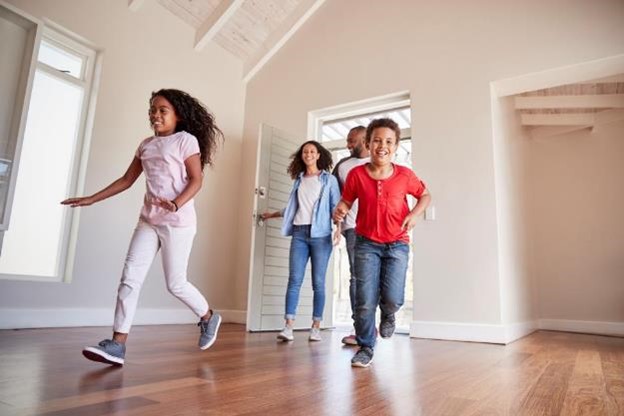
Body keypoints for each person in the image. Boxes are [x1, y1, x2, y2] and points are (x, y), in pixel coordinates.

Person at [61, 88, 224, 366]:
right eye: (153, 110)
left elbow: (196, 180)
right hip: (148, 221)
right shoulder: (146, 145)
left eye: (163, 110)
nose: (156, 115)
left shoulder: (186, 141)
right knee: (129, 279)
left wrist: (175, 203)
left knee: (176, 283)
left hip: (178, 223)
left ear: (178, 116)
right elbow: (126, 180)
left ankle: (209, 316)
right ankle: (118, 344)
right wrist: (91, 199)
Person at [333, 118, 431, 367]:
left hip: (397, 243)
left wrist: (413, 214)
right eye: (377, 140)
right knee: (364, 300)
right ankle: (366, 346)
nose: (382, 145)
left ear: (396, 146)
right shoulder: (356, 174)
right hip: (366, 243)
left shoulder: (405, 175)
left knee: (393, 297)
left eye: (388, 141)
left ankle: (388, 314)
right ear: (368, 144)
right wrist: (340, 210)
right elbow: (346, 200)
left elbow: (425, 195)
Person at [262, 140, 341, 342]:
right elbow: (294, 208)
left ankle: (316, 326)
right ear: (302, 156)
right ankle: (288, 326)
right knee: (294, 280)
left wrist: (338, 229)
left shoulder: (328, 180)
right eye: (305, 152)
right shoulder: (298, 180)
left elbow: (336, 207)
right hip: (299, 233)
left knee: (319, 283)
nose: (308, 154)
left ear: (318, 155)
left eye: (312, 151)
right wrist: (272, 214)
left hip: (321, 235)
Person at [331, 126, 371, 346]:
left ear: (364, 140)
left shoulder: (378, 163)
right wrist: (337, 226)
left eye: (351, 141)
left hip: (379, 229)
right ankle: (362, 330)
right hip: (353, 228)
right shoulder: (343, 166)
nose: (348, 145)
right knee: (357, 278)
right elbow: (337, 198)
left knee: (377, 279)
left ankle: (376, 323)